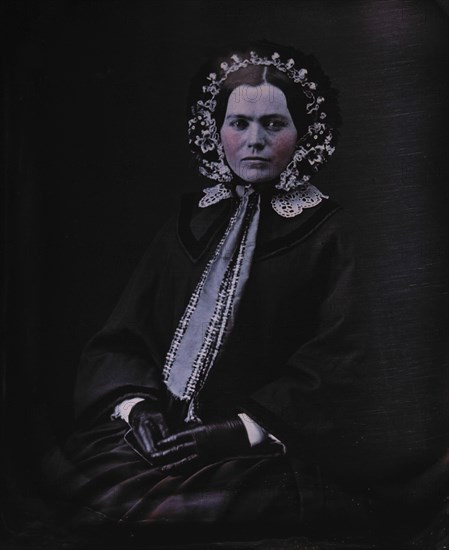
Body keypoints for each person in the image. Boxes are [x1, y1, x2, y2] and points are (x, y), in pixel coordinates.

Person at [53, 40, 379, 540]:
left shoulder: (331, 232)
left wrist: (242, 430)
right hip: (169, 433)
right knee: (81, 486)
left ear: (304, 132)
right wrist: (139, 408)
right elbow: (125, 335)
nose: (254, 141)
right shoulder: (190, 221)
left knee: (163, 516)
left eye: (274, 123)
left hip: (268, 450)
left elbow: (345, 359)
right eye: (239, 123)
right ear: (215, 130)